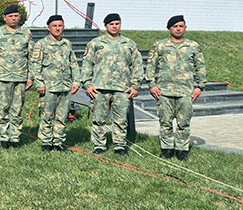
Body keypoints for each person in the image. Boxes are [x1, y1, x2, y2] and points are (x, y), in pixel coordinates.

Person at [80, 13, 143, 156]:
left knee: (121, 119)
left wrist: (136, 85)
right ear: (106, 26)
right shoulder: (96, 43)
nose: (114, 26)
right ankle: (99, 145)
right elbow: (87, 64)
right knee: (98, 119)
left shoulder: (129, 44)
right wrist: (87, 84)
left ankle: (119, 146)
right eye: (111, 24)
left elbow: (137, 65)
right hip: (99, 87)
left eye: (117, 24)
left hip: (122, 88)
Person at [145, 15, 206, 161]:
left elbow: (200, 67)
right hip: (164, 91)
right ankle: (167, 149)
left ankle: (181, 150)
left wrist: (200, 87)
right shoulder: (160, 46)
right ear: (169, 29)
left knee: (183, 123)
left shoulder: (193, 46)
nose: (178, 29)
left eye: (181, 26)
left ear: (185, 28)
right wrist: (152, 85)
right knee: (165, 122)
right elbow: (151, 66)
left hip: (185, 91)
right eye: (175, 26)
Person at [0, 4, 33, 149]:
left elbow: (32, 57)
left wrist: (30, 77)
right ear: (5, 18)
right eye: (10, 16)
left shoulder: (26, 33)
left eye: (16, 16)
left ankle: (15, 138)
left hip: (20, 77)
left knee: (17, 110)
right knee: (3, 109)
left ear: (20, 17)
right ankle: (4, 138)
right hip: (2, 77)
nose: (13, 18)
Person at [31, 15, 80, 152]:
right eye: (54, 26)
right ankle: (46, 142)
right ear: (49, 28)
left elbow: (73, 63)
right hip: (49, 87)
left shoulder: (67, 44)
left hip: (65, 86)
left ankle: (58, 142)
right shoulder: (41, 44)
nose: (58, 28)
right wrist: (40, 84)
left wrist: (76, 82)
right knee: (46, 115)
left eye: (60, 26)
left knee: (62, 116)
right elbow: (35, 65)